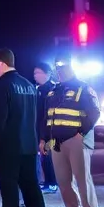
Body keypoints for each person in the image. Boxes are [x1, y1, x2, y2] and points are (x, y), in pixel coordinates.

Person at [0, 48, 50, 207]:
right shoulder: (29, 85)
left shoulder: (2, 86)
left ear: (1, 63)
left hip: (8, 148)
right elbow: (35, 118)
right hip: (29, 147)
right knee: (32, 190)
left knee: (9, 191)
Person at [42, 61, 101, 207]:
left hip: (77, 141)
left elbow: (95, 112)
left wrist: (81, 133)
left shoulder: (83, 88)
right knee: (63, 181)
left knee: (83, 179)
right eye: (58, 68)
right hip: (56, 142)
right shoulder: (53, 92)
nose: (60, 71)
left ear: (71, 68)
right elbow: (47, 118)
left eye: (63, 68)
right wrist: (44, 138)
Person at [32, 63, 60, 194]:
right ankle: (47, 182)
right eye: (34, 73)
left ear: (47, 74)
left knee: (47, 155)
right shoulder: (37, 89)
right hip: (38, 127)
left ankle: (52, 183)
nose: (35, 75)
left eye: (38, 73)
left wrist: (44, 134)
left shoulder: (52, 90)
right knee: (42, 156)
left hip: (49, 129)